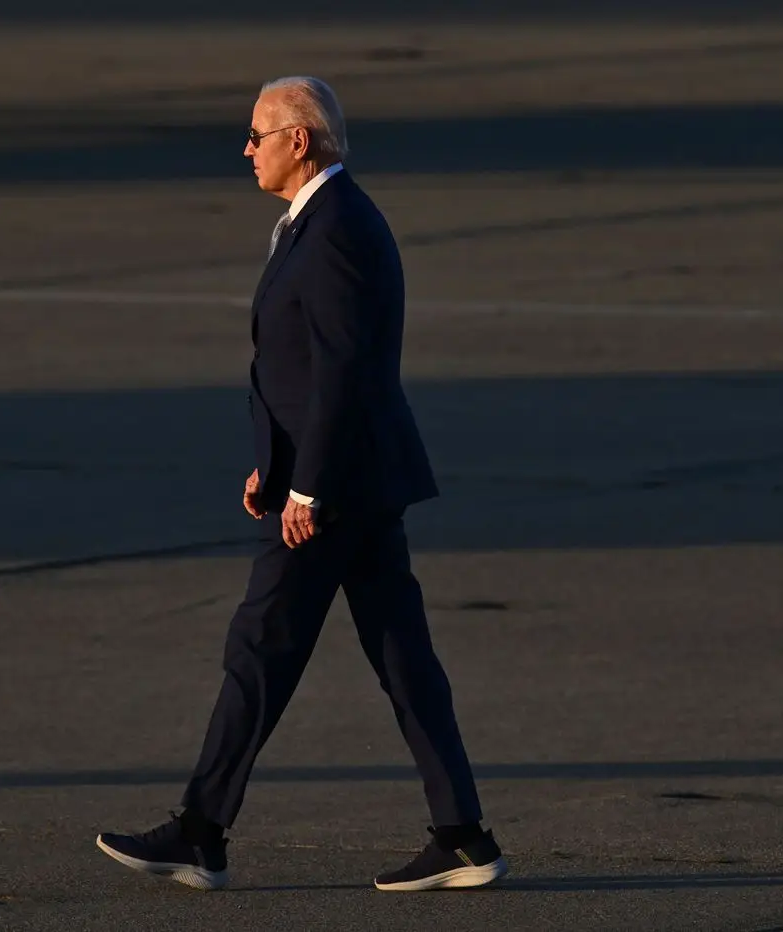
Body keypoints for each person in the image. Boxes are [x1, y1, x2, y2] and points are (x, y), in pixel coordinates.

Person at [95, 76, 506, 893]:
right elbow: (304, 366)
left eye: (256, 134)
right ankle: (463, 836)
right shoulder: (318, 221)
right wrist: (274, 466)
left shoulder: (338, 229)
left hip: (337, 491)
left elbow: (344, 373)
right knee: (403, 658)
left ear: (300, 142)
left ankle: (201, 831)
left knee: (260, 649)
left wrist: (306, 490)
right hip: (349, 478)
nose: (245, 149)